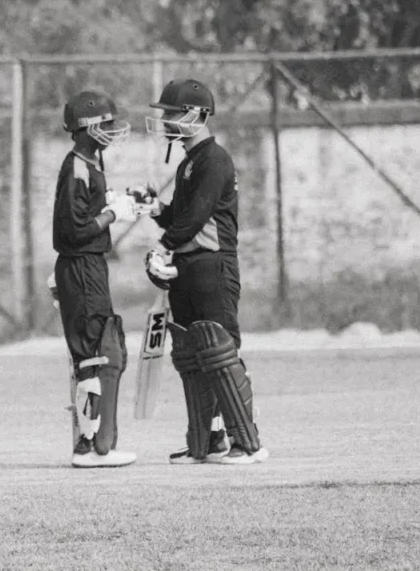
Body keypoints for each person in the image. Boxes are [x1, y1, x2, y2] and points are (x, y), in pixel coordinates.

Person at [140, 77, 268, 466]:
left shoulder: (215, 160)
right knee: (193, 355)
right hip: (188, 266)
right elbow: (181, 217)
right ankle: (209, 440)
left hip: (213, 265)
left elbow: (196, 219)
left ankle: (248, 442)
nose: (166, 121)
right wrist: (157, 209)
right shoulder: (189, 162)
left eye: (173, 113)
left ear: (196, 114)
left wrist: (162, 246)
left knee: (220, 350)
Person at [49, 90, 138, 468]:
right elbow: (72, 232)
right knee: (94, 352)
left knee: (103, 346)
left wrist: (115, 202)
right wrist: (113, 215)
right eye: (104, 124)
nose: (111, 130)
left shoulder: (90, 163)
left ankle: (99, 441)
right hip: (82, 266)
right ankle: (87, 446)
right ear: (85, 127)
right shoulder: (77, 168)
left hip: (89, 266)